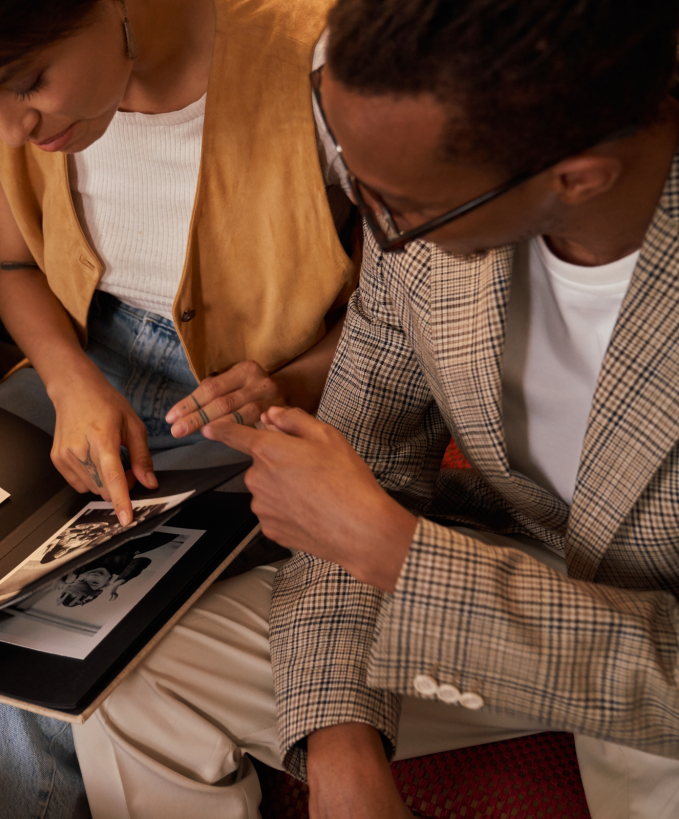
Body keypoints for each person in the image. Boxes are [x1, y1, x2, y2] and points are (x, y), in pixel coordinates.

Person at [66, 0, 679, 817]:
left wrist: (391, 550)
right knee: (132, 679)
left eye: (401, 205)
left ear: (577, 174)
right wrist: (340, 735)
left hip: (657, 663)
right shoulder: (417, 198)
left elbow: (363, 524)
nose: (378, 228)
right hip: (507, 568)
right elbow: (359, 470)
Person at [0, 0, 357, 815]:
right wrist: (70, 381)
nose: (11, 130)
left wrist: (299, 379)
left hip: (268, 403)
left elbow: (405, 303)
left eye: (27, 83)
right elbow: (14, 265)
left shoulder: (314, 54)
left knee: (23, 688)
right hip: (83, 367)